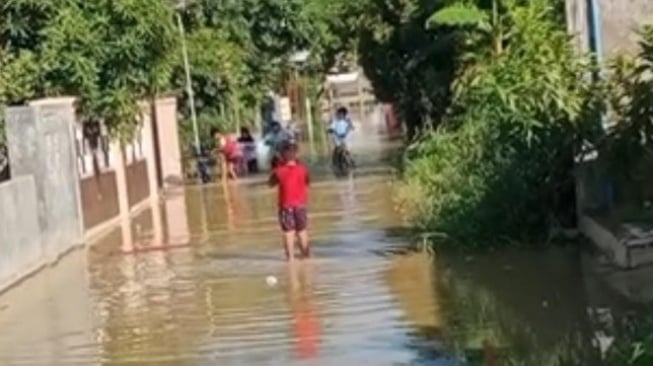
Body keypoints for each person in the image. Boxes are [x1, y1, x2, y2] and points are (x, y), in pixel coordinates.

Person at [268, 141, 311, 261]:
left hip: (286, 206)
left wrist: (274, 168)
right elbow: (307, 183)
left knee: (288, 232)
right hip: (301, 205)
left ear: (282, 155)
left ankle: (290, 258)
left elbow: (270, 184)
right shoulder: (303, 169)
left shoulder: (279, 171)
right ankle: (306, 256)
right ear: (296, 155)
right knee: (302, 231)